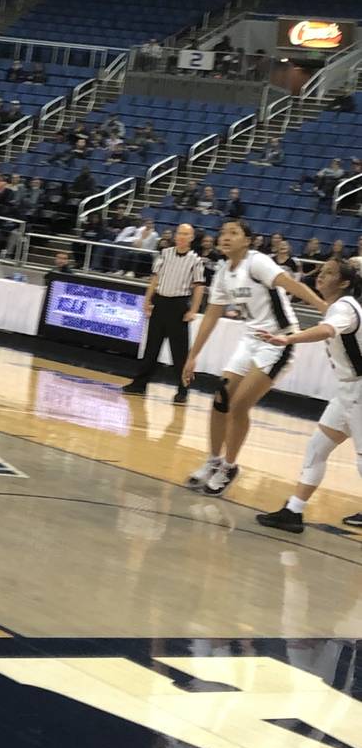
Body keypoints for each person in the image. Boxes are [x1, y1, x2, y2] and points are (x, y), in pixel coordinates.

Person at [182, 219, 327, 496]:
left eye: (233, 233)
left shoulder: (257, 262)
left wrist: (322, 306)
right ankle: (213, 461)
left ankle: (229, 466)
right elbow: (212, 315)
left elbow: (289, 284)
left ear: (247, 240)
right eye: (223, 232)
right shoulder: (224, 271)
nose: (225, 237)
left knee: (238, 407)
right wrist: (192, 356)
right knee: (220, 400)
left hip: (279, 340)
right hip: (250, 340)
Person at [255, 260, 362, 533]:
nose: (321, 277)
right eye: (322, 271)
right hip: (348, 392)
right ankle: (294, 511)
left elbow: (327, 330)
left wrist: (289, 339)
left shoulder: (344, 308)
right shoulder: (344, 306)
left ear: (345, 283)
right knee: (317, 449)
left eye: (329, 274)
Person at [123, 224, 205, 404]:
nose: (182, 237)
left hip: (179, 306)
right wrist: (147, 300)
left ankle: (183, 390)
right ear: (175, 236)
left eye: (186, 234)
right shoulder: (164, 254)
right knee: (151, 348)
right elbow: (155, 279)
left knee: (180, 353)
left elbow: (199, 287)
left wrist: (193, 310)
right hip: (160, 303)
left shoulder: (196, 260)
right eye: (179, 233)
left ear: (191, 238)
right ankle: (139, 384)